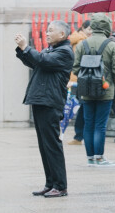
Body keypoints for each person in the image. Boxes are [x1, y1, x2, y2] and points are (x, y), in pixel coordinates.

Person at [15, 20, 74, 197]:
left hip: (50, 102)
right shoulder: (52, 49)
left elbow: (42, 60)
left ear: (62, 35)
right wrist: (22, 50)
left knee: (52, 145)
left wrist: (27, 47)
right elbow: (36, 62)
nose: (47, 34)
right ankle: (50, 183)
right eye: (46, 31)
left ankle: (60, 185)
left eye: (50, 31)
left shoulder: (64, 52)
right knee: (44, 145)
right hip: (41, 100)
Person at [71, 13, 115, 167]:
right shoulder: (112, 45)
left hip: (85, 90)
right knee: (100, 124)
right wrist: (110, 80)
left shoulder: (82, 44)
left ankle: (90, 158)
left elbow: (75, 68)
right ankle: (99, 158)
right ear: (107, 26)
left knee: (88, 123)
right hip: (106, 90)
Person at [66, 19, 91, 144]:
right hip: (79, 78)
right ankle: (79, 135)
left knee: (80, 106)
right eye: (89, 29)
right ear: (83, 28)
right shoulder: (82, 41)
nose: (91, 32)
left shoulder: (76, 39)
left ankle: (79, 135)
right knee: (81, 106)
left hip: (76, 78)